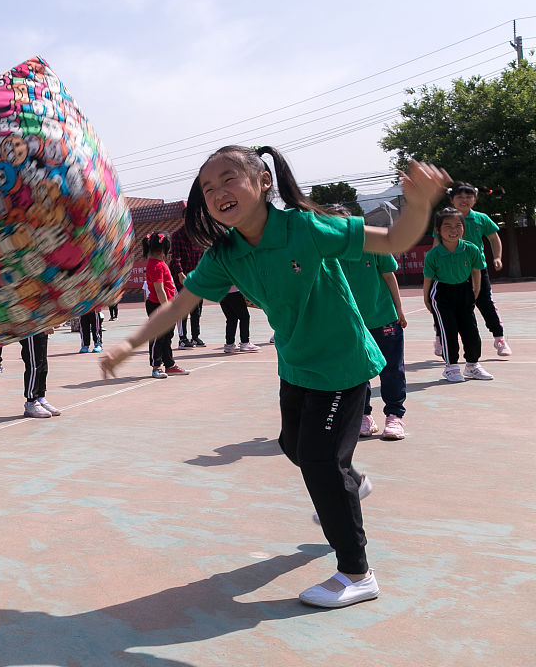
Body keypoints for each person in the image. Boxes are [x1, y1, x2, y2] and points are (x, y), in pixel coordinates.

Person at [101, 145, 450, 609]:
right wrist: (129, 343)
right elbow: (181, 303)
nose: (218, 192)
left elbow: (390, 241)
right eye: (208, 188)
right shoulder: (226, 254)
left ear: (264, 181)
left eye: (229, 179)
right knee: (295, 447)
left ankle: (356, 572)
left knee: (321, 463)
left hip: (341, 362)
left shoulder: (305, 227)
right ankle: (353, 481)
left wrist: (420, 203)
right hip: (296, 364)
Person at [329, 206, 408, 440]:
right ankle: (364, 415)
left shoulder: (372, 243)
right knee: (356, 372)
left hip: (383, 317)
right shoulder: (327, 252)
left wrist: (399, 308)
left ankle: (395, 416)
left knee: (392, 369)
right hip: (349, 323)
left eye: (344, 223)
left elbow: (388, 276)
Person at [424, 207, 492, 383]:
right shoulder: (433, 254)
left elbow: (476, 271)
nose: (453, 230)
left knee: (471, 331)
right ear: (438, 230)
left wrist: (475, 290)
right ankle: (451, 367)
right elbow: (428, 279)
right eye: (447, 226)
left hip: (465, 291)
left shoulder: (471, 249)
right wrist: (426, 298)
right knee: (449, 331)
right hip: (441, 294)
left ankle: (472, 365)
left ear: (464, 228)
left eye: (458, 226)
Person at [448, 183, 511, 356]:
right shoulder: (446, 218)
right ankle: (441, 338)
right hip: (453, 271)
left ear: (475, 199)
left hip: (478, 269)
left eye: (468, 197)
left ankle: (499, 339)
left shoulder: (481, 218)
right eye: (460, 197)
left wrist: (497, 257)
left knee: (486, 303)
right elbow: (437, 243)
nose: (464, 200)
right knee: (450, 307)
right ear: (452, 199)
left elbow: (494, 238)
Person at [142, 232, 188, 378]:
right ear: (164, 249)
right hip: (158, 306)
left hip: (165, 304)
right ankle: (156, 366)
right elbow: (159, 289)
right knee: (158, 337)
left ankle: (170, 365)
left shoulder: (160, 263)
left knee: (167, 336)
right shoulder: (155, 265)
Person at [171, 225, 206, 348]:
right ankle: (183, 338)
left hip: (196, 277)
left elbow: (203, 257)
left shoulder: (199, 235)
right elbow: (175, 257)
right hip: (182, 278)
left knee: (196, 308)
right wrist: (180, 273)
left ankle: (195, 337)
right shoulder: (177, 235)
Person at [19, 331, 60, 418]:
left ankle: (40, 398)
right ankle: (31, 402)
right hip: (30, 327)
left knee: (42, 363)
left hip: (40, 324)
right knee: (34, 364)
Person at [219, 287, 259, 354]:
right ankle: (245, 342)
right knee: (244, 317)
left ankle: (229, 344)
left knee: (231, 319)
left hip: (221, 293)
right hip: (234, 292)